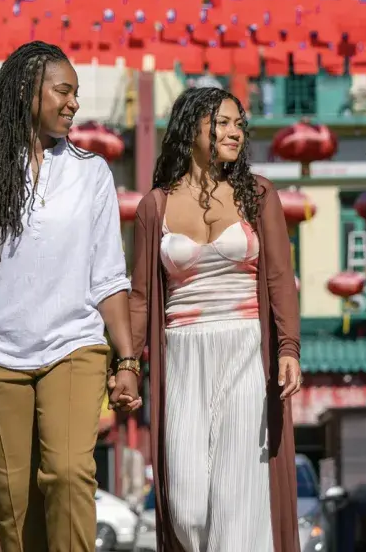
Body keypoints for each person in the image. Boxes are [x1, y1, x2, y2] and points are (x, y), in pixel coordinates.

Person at [0, 40, 140, 552]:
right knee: (16, 507)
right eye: (63, 91)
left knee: (66, 473)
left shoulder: (92, 174)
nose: (73, 104)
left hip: (75, 346)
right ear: (27, 91)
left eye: (76, 94)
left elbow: (109, 276)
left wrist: (127, 358)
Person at [127, 87, 303, 552]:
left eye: (239, 124)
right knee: (185, 505)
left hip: (246, 348)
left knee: (236, 499)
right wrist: (126, 364)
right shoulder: (154, 207)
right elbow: (141, 297)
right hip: (182, 354)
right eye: (222, 122)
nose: (234, 132)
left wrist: (288, 348)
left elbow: (281, 279)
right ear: (191, 129)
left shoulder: (259, 194)